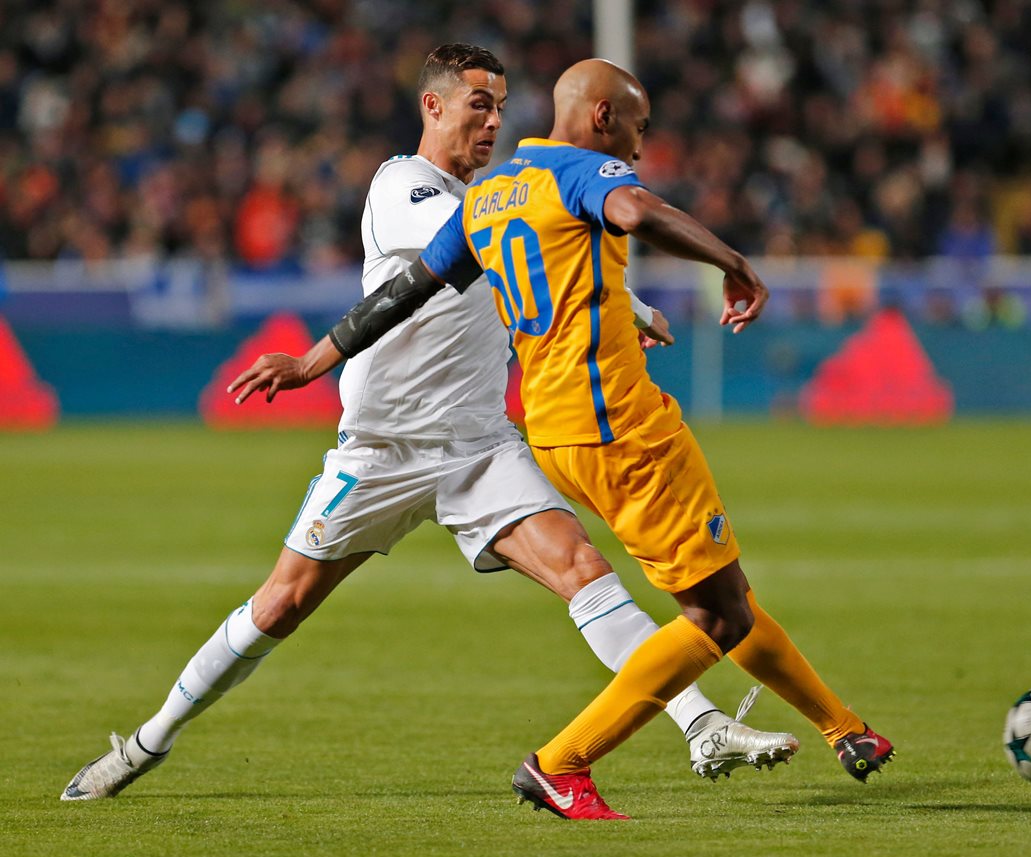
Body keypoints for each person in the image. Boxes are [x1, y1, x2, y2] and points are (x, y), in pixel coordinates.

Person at [59, 45, 798, 805]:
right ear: (433, 106)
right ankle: (147, 742)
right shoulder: (401, 186)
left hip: (477, 445)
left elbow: (528, 246)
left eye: (503, 106)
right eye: (479, 103)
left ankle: (700, 723)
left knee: (582, 568)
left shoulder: (501, 198)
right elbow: (500, 242)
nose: (493, 120)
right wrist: (628, 300)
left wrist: (618, 305)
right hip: (382, 448)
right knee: (279, 604)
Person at [230, 58, 896, 821]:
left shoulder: (489, 194)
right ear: (605, 118)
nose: (641, 148)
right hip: (623, 429)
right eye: (639, 129)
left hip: (554, 433)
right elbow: (637, 208)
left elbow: (404, 289)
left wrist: (314, 361)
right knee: (717, 617)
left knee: (721, 594)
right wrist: (733, 263)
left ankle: (846, 728)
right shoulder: (581, 172)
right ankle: (560, 762)